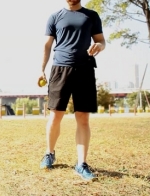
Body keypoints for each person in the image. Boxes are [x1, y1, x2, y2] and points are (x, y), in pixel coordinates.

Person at [38, 0, 106, 181]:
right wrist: (41, 69)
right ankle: (49, 153)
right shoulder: (54, 17)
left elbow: (101, 41)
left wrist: (99, 46)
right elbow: (47, 45)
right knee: (55, 115)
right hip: (60, 69)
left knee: (83, 118)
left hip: (85, 69)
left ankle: (81, 163)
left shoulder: (91, 16)